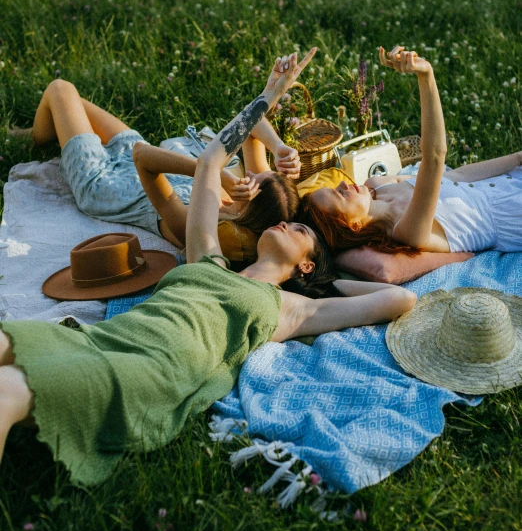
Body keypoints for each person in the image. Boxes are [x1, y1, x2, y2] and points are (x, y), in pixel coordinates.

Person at [0, 49, 416, 484]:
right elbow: (213, 159)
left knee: (7, 388)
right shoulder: (207, 257)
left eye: (297, 229)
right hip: (105, 337)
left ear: (306, 267)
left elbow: (398, 297)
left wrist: (326, 287)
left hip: (156, 370)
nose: (285, 222)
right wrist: (270, 94)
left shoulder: (290, 308)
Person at [12, 79, 302, 262]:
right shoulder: (244, 203)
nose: (248, 174)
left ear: (248, 211)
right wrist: (277, 147)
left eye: (254, 178)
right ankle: (41, 134)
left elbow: (143, 156)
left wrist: (213, 174)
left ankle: (35, 139)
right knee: (74, 103)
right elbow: (249, 123)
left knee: (61, 89)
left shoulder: (197, 227)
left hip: (103, 181)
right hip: (129, 160)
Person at [299, 45, 522, 256]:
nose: (343, 183)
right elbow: (434, 158)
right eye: (339, 194)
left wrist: (517, 158)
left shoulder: (379, 185)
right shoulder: (406, 231)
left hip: (508, 179)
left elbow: (457, 176)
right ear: (353, 225)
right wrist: (426, 76)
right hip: (513, 214)